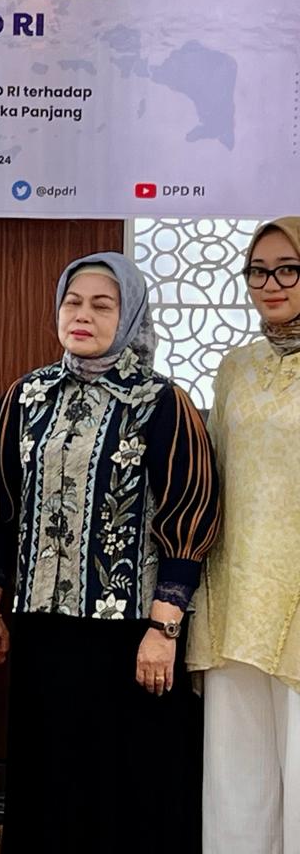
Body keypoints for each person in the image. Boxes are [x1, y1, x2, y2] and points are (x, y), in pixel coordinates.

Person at [0, 252, 220, 853]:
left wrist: (164, 629)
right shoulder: (28, 396)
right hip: (43, 632)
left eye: (102, 306)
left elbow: (190, 516)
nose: (82, 316)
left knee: (130, 786)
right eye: (72, 303)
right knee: (49, 780)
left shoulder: (160, 402)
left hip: (131, 637)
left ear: (128, 316)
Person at [187, 217, 300, 853]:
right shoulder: (236, 366)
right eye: (258, 271)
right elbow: (217, 475)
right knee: (237, 778)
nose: (270, 283)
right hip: (236, 591)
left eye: (287, 269)